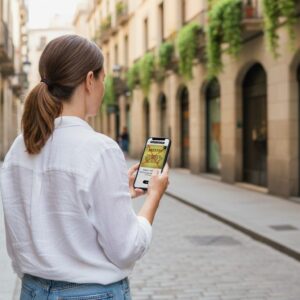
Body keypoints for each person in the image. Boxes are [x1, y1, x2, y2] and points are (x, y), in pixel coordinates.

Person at [0, 35, 169, 300]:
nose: (103, 87)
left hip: (32, 291)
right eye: (103, 79)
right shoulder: (100, 150)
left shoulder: (18, 148)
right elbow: (126, 248)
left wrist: (117, 190)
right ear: (90, 80)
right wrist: (155, 195)